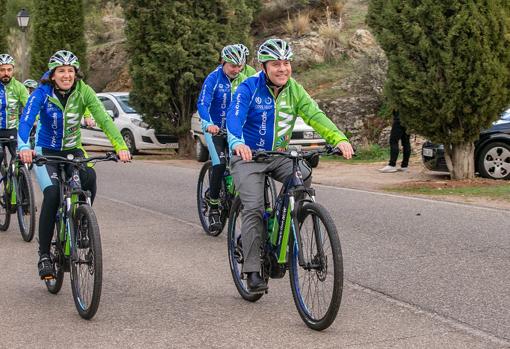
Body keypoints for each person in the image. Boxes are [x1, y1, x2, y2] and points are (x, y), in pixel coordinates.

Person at [226, 38, 354, 292]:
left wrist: (338, 138)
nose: (282, 69)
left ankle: (280, 221)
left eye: (286, 63)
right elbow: (234, 116)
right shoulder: (248, 88)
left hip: (279, 155)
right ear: (264, 67)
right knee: (252, 208)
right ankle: (252, 269)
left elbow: (315, 115)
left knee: (303, 175)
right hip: (248, 156)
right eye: (276, 64)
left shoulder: (295, 90)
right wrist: (237, 142)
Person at [18, 50, 131, 279]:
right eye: (61, 71)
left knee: (89, 178)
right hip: (45, 151)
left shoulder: (84, 91)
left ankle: (81, 221)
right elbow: (26, 120)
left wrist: (120, 146)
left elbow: (103, 118)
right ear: (52, 75)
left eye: (70, 71)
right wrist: (23, 147)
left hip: (73, 150)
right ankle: (44, 256)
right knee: (51, 195)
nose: (67, 75)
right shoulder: (42, 93)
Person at [197, 44, 248, 232]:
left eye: (239, 66)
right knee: (219, 163)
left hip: (234, 131)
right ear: (223, 62)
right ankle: (214, 206)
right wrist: (209, 123)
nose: (236, 69)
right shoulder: (213, 78)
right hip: (214, 130)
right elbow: (202, 103)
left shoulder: (244, 79)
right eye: (232, 65)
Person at [0, 54, 28, 166]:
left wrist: (36, 119)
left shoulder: (19, 87)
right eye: (2, 70)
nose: (6, 73)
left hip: (13, 130)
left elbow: (30, 107)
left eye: (9, 69)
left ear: (13, 70)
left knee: (20, 159)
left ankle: (17, 181)